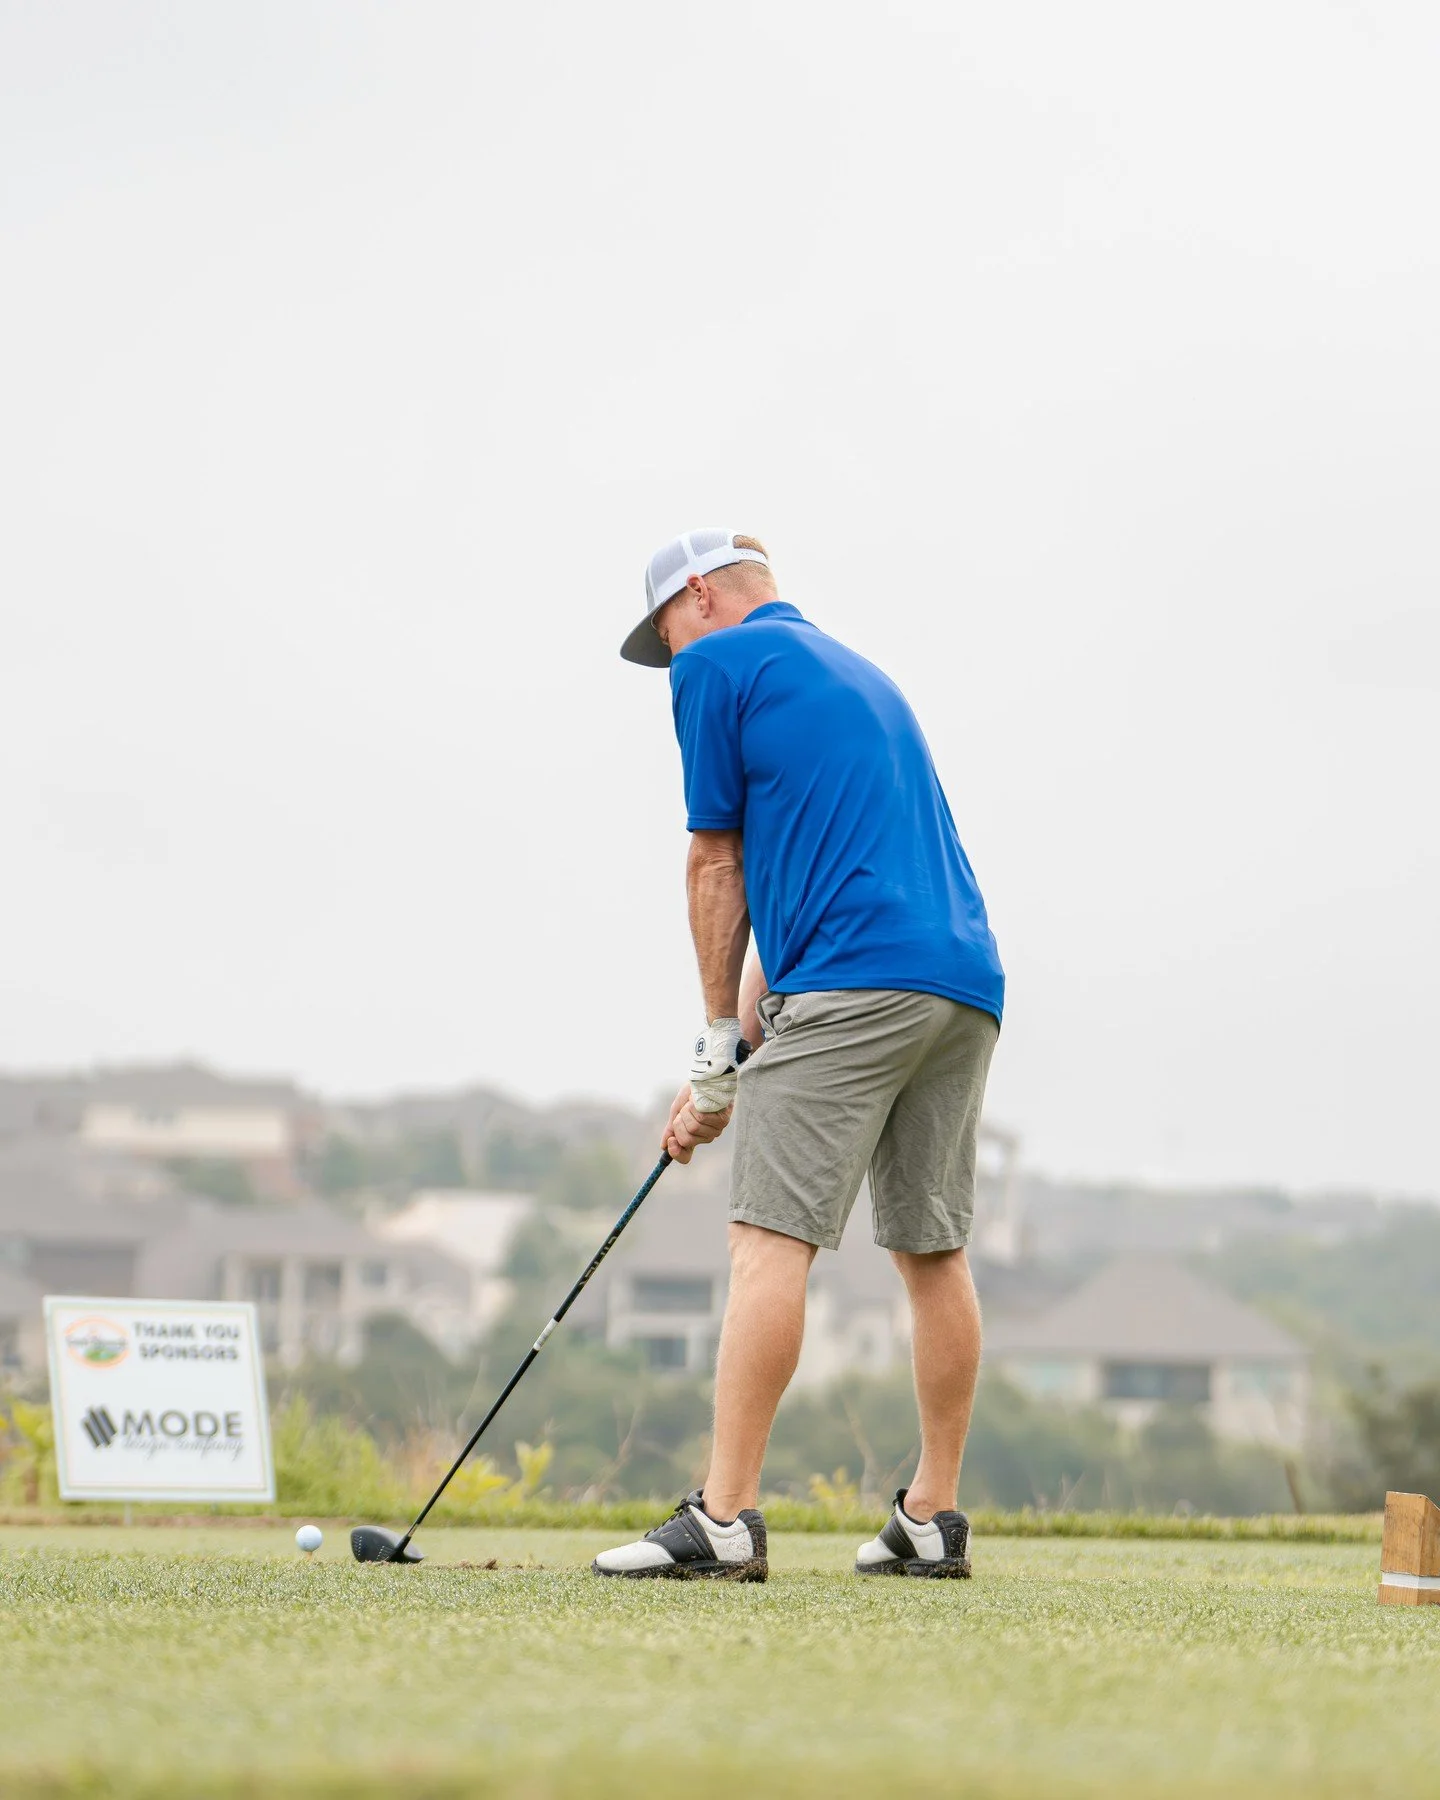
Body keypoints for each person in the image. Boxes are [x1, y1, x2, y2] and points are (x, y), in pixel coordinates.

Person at [593, 529, 1004, 1582]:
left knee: (769, 1242)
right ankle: (932, 1520)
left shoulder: (717, 665)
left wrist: (711, 1042)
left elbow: (715, 862)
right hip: (960, 984)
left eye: (668, 635)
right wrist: (719, 1074)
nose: (671, 662)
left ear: (700, 598)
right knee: (932, 1249)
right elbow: (794, 904)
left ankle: (723, 1519)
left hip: (858, 982)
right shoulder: (859, 677)